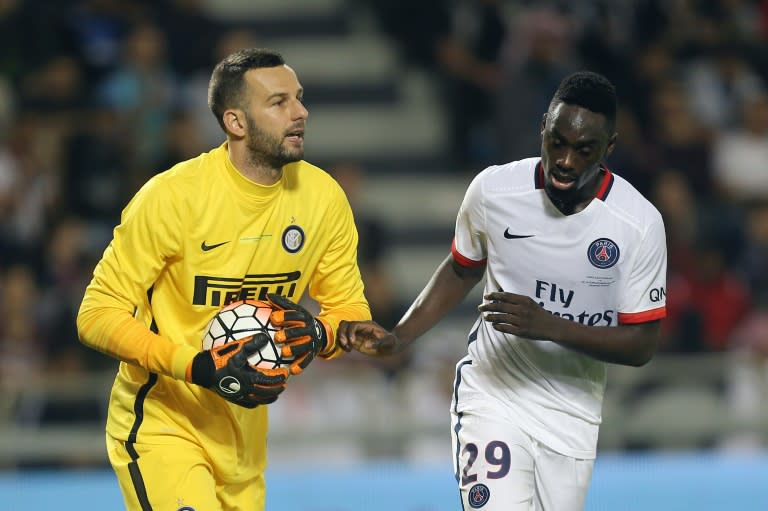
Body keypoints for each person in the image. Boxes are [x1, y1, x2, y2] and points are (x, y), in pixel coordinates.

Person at [338, 71, 667, 511]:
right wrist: (399, 336)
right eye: (557, 142)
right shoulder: (495, 191)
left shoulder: (637, 225)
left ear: (609, 147)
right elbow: (460, 269)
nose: (565, 160)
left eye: (583, 149)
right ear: (543, 130)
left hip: (572, 413)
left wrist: (549, 325)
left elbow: (641, 344)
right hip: (493, 394)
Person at [76, 48, 371, 511]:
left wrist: (317, 334)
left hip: (244, 442)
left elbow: (350, 312)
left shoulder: (323, 199)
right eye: (279, 102)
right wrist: (196, 367)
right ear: (235, 122)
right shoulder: (172, 198)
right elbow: (96, 314)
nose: (300, 112)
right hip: (163, 423)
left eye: (299, 98)